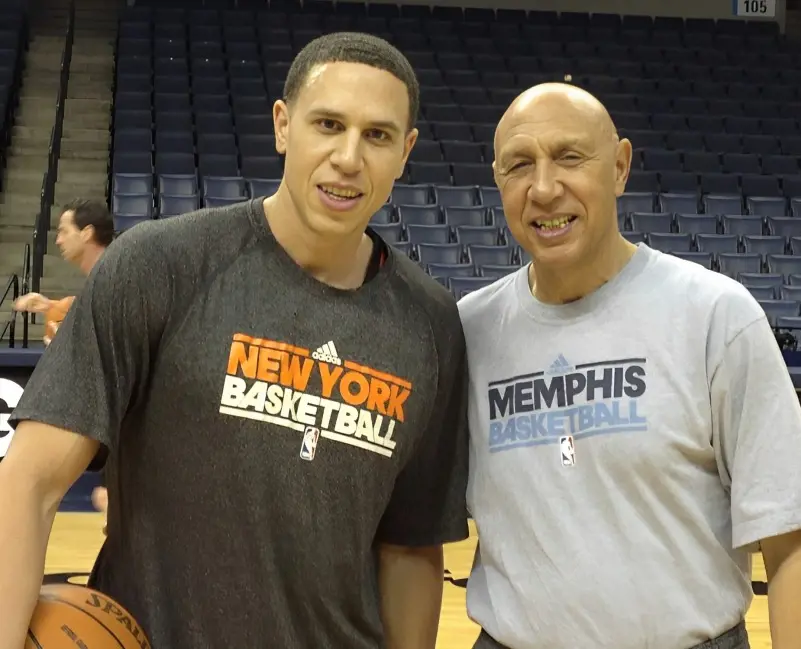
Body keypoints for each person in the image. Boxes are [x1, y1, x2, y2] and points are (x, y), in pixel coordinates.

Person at [0, 32, 469, 649]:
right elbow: (28, 485)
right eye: (328, 124)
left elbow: (409, 549)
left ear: (405, 151)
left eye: (377, 135)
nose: (349, 157)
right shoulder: (161, 265)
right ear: (282, 125)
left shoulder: (431, 323)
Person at [458, 83, 801, 649]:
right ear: (498, 180)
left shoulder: (715, 315)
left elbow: (795, 538)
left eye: (568, 157)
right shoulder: (468, 332)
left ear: (619, 167)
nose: (543, 187)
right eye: (519, 165)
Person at [14, 198, 114, 345]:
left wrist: (67, 348)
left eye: (64, 231)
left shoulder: (114, 279)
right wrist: (51, 306)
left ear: (87, 233)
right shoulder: (103, 276)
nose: (58, 240)